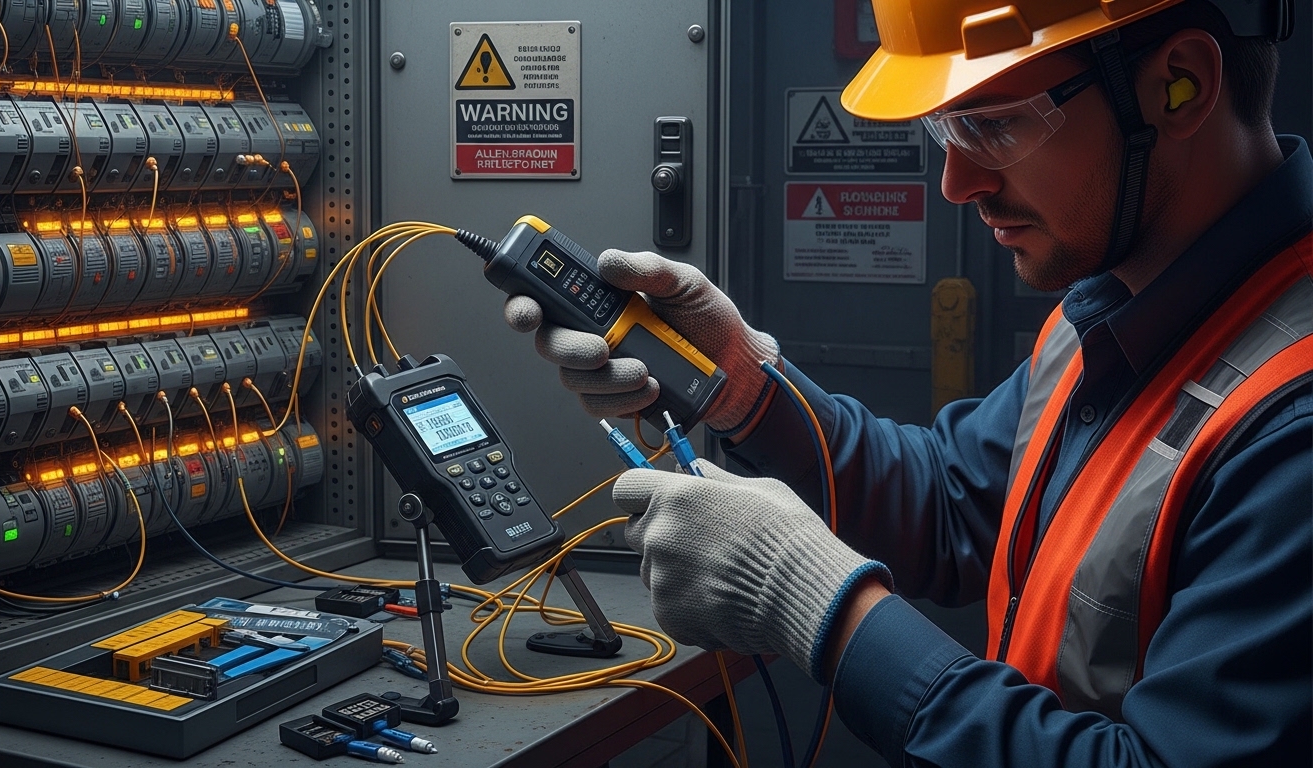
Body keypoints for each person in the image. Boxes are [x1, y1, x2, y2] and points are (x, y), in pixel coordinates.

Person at [504, 0, 1311, 763]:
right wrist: (744, 385)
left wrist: (818, 603)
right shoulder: (1104, 312)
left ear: (1182, 86)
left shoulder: (1291, 419)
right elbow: (955, 505)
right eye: (945, 130)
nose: (957, 184)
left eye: (994, 126)